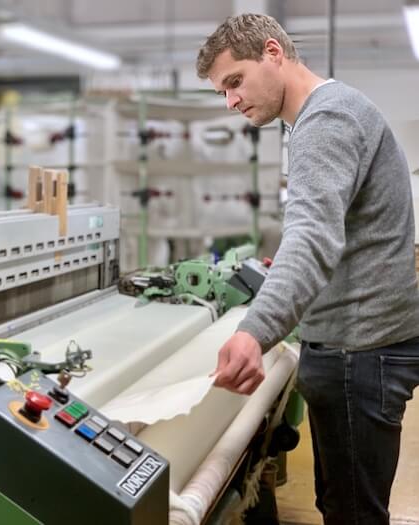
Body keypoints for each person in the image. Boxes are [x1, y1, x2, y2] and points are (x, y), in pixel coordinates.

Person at [196, 13, 419, 525]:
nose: (230, 101)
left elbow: (313, 235)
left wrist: (255, 333)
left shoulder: (325, 121)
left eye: (235, 82)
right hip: (366, 344)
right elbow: (335, 230)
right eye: (221, 93)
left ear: (273, 53)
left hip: (357, 354)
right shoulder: (337, 110)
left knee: (352, 513)